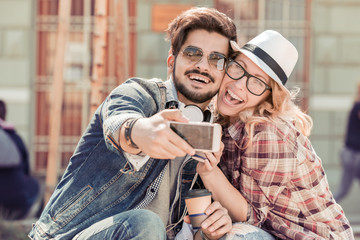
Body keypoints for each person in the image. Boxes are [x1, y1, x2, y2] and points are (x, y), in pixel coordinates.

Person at [29, 7, 237, 240]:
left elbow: (187, 229)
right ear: (171, 62)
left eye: (216, 59)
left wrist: (211, 226)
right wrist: (139, 133)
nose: (203, 66)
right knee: (145, 223)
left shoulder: (212, 139)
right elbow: (118, 121)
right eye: (192, 53)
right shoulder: (138, 93)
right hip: (69, 235)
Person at [195, 30, 354, 239]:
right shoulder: (223, 120)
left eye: (257, 82)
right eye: (238, 68)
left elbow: (249, 216)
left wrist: (209, 171)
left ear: (269, 96)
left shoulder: (266, 132)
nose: (239, 85)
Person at [0, 100, 40, 220]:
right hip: (16, 199)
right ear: (4, 114)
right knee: (35, 185)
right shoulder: (15, 138)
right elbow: (26, 171)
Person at [334, 81, 360, 202]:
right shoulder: (358, 106)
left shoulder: (356, 104)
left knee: (343, 190)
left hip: (351, 154)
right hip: (354, 155)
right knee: (343, 190)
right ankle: (323, 211)